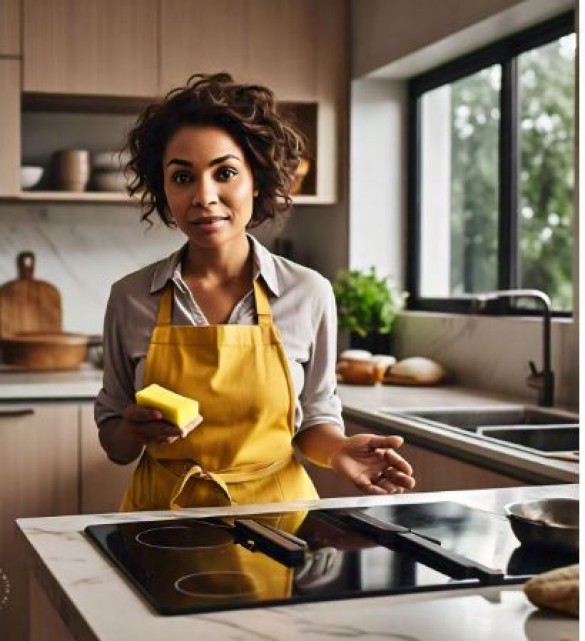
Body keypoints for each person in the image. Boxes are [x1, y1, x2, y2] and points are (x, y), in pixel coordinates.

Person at [94, 72, 416, 511]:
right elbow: (115, 442)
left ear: (257, 180)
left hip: (277, 519)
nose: (204, 196)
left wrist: (339, 450)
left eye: (225, 172)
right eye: (182, 177)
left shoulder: (309, 293)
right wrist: (131, 431)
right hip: (159, 518)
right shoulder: (131, 297)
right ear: (163, 188)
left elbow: (315, 419)